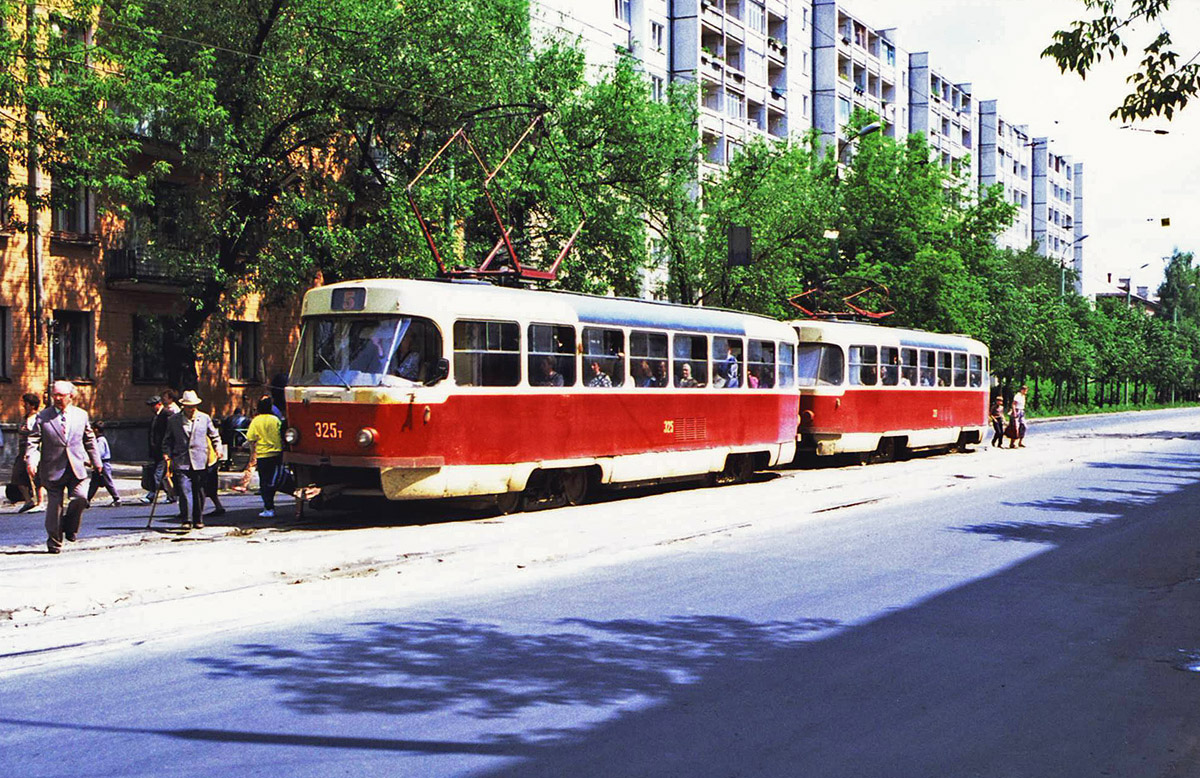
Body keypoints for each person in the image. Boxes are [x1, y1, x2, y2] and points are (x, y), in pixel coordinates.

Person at [25, 381, 103, 554]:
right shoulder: (43, 417)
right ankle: (54, 542)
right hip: (52, 468)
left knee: (81, 498)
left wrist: (97, 460)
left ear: (71, 396)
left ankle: (70, 526)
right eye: (55, 395)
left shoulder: (81, 415)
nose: (57, 398)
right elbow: (33, 441)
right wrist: (32, 460)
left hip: (76, 467)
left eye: (61, 395)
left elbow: (89, 439)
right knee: (55, 508)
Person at [162, 389, 223, 530]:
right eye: (189, 407)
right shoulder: (174, 420)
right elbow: (167, 440)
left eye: (193, 406)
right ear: (184, 406)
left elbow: (215, 435)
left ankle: (198, 519)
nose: (191, 409)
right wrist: (166, 453)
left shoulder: (204, 418)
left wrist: (218, 449)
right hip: (181, 460)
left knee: (199, 491)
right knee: (184, 491)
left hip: (200, 460)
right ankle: (186, 520)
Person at [245, 395, 284, 519]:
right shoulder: (275, 420)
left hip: (262, 455)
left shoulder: (256, 421)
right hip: (277, 454)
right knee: (275, 479)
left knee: (264, 482)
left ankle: (268, 507)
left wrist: (252, 455)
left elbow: (251, 439)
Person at [14, 392, 43, 512]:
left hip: (32, 451)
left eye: (25, 403)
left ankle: (40, 501)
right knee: (17, 476)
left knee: (35, 477)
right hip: (22, 450)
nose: (23, 406)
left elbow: (37, 435)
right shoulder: (25, 418)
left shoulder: (36, 418)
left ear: (32, 405)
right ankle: (28, 500)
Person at [86, 421, 121, 506]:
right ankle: (87, 499)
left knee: (108, 482)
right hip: (99, 464)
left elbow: (99, 453)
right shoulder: (99, 440)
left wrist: (92, 461)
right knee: (94, 483)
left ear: (96, 430)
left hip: (103, 465)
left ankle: (117, 498)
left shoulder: (100, 441)